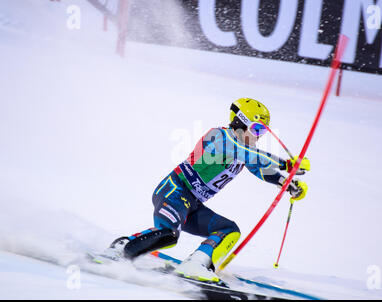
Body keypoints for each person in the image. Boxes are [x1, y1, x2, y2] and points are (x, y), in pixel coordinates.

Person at [103, 98, 310, 283]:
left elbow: (259, 167)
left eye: (263, 131)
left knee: (229, 230)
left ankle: (196, 264)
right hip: (174, 192)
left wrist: (286, 182)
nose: (259, 136)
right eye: (257, 129)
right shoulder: (219, 136)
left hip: (191, 204)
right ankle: (121, 249)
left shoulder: (245, 151)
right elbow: (247, 154)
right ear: (240, 122)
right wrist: (286, 163)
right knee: (169, 235)